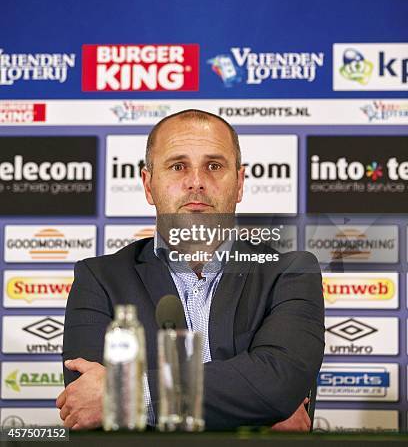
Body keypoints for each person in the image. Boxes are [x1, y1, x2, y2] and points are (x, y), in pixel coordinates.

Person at [57, 109, 324, 431]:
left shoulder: (290, 272)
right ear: (148, 183)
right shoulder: (99, 279)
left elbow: (277, 384)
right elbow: (89, 406)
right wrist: (252, 408)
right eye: (178, 166)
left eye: (214, 166)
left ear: (239, 183)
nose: (196, 181)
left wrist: (127, 393)